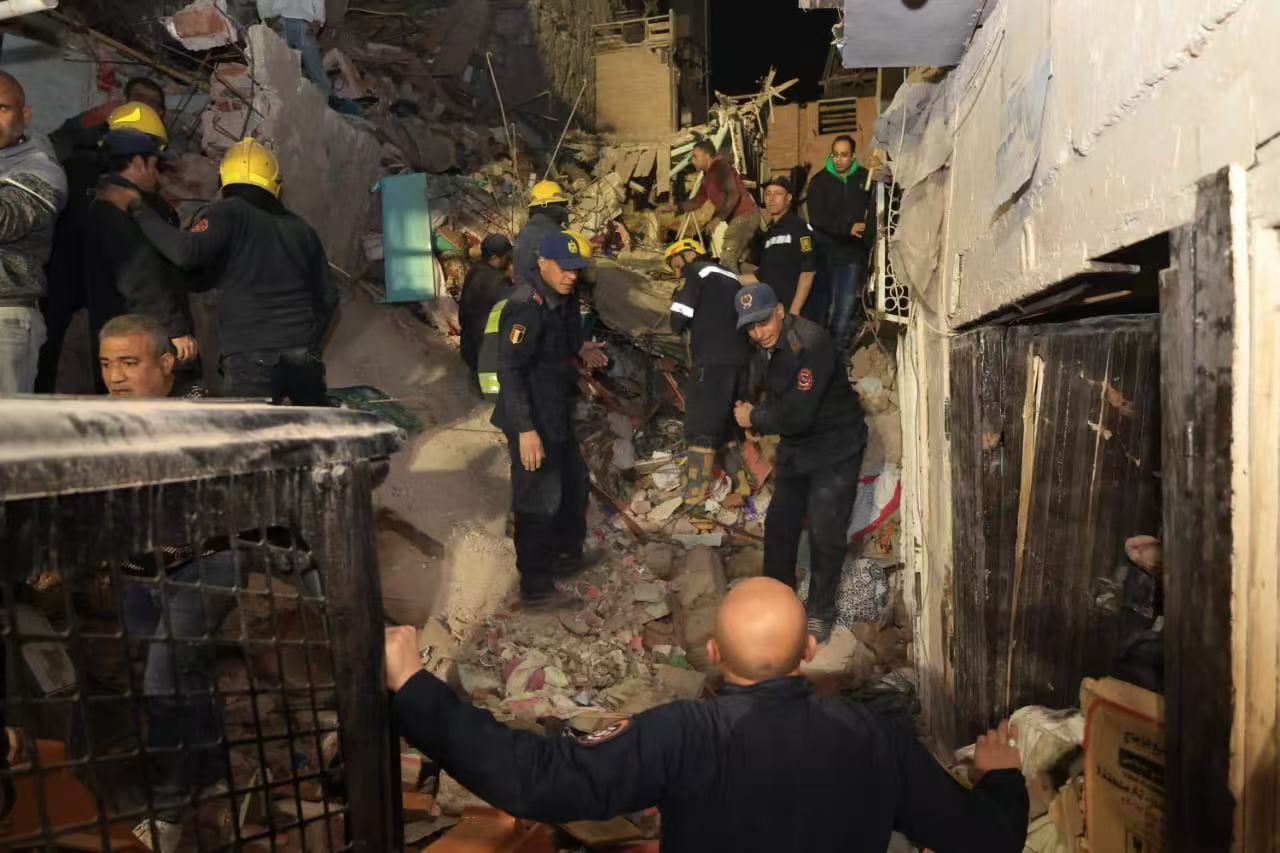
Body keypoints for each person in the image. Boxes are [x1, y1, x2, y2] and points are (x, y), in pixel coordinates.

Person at [384, 576, 1030, 853]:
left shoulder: (683, 734)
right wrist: (1002, 777)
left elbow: (536, 780)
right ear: (809, 652)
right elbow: (984, 840)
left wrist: (414, 687)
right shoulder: (876, 739)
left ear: (714, 655)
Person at [97, 137, 336, 404]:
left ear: (224, 179)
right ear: (274, 183)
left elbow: (185, 253)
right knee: (304, 427)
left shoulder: (227, 212)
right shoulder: (302, 230)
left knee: (251, 429)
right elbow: (328, 297)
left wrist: (137, 206)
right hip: (303, 357)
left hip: (251, 356)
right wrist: (306, 342)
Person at [731, 283, 866, 642]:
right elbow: (760, 383)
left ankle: (820, 612)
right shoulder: (763, 345)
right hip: (797, 447)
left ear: (780, 311)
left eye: (763, 322)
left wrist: (753, 417)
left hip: (835, 445)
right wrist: (750, 410)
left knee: (825, 529)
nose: (758, 333)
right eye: (750, 327)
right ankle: (777, 605)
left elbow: (798, 414)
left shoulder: (811, 342)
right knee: (780, 526)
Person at [491, 232, 608, 605]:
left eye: (576, 269)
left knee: (574, 484)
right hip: (529, 415)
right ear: (543, 263)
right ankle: (536, 586)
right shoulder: (525, 306)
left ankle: (565, 555)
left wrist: (581, 347)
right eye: (564, 268)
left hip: (555, 409)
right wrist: (525, 430)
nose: (571, 276)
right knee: (538, 498)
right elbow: (510, 370)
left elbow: (564, 337)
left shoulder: (564, 295)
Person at [39, 78, 168, 392]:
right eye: (138, 98)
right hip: (66, 261)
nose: (144, 106)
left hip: (115, 270)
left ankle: (111, 398)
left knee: (114, 340)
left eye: (153, 102)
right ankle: (37, 397)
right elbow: (48, 147)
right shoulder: (85, 153)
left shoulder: (151, 166)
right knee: (48, 340)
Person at [85, 112, 203, 396]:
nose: (157, 175)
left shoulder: (100, 201)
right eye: (154, 165)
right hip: (144, 343)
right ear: (138, 162)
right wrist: (174, 330)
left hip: (125, 337)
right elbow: (140, 274)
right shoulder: (120, 206)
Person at [664, 237, 750, 503]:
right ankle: (741, 485)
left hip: (712, 361)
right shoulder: (732, 277)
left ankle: (695, 494)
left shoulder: (696, 271)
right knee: (727, 424)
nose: (677, 270)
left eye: (676, 263)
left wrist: (677, 312)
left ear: (689, 255)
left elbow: (678, 319)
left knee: (701, 422)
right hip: (741, 362)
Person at [0, 71, 67, 394]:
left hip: (6, 318)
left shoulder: (42, 170)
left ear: (25, 115)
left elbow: (5, 220)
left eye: (1, 108)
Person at [806, 135, 875, 349]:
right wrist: (847, 228)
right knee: (825, 307)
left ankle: (836, 352)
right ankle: (821, 350)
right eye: (835, 154)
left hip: (852, 255)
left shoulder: (865, 178)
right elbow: (817, 219)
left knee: (845, 307)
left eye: (844, 155)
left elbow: (875, 208)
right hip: (825, 254)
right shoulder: (819, 182)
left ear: (853, 156)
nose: (838, 159)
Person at [741, 175, 823, 324]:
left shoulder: (799, 228)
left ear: (788, 198)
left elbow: (808, 271)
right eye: (768, 194)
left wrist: (794, 311)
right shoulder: (770, 234)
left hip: (798, 315)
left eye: (778, 193)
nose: (772, 198)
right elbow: (763, 276)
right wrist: (728, 278)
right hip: (776, 312)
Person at [676, 139, 759, 272]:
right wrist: (675, 207)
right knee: (737, 261)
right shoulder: (707, 177)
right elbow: (697, 201)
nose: (692, 161)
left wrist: (717, 219)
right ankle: (760, 278)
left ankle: (733, 285)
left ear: (707, 155)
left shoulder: (721, 167)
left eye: (695, 157)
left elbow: (734, 194)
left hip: (745, 216)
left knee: (727, 260)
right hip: (740, 219)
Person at [459, 233, 513, 383]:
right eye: (505, 257)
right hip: (485, 352)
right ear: (495, 258)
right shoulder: (496, 281)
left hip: (468, 344)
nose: (507, 260)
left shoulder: (474, 271)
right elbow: (513, 309)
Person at [512, 180, 571, 287]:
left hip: (522, 294)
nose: (565, 210)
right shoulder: (558, 236)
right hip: (545, 296)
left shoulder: (523, 232)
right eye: (562, 205)